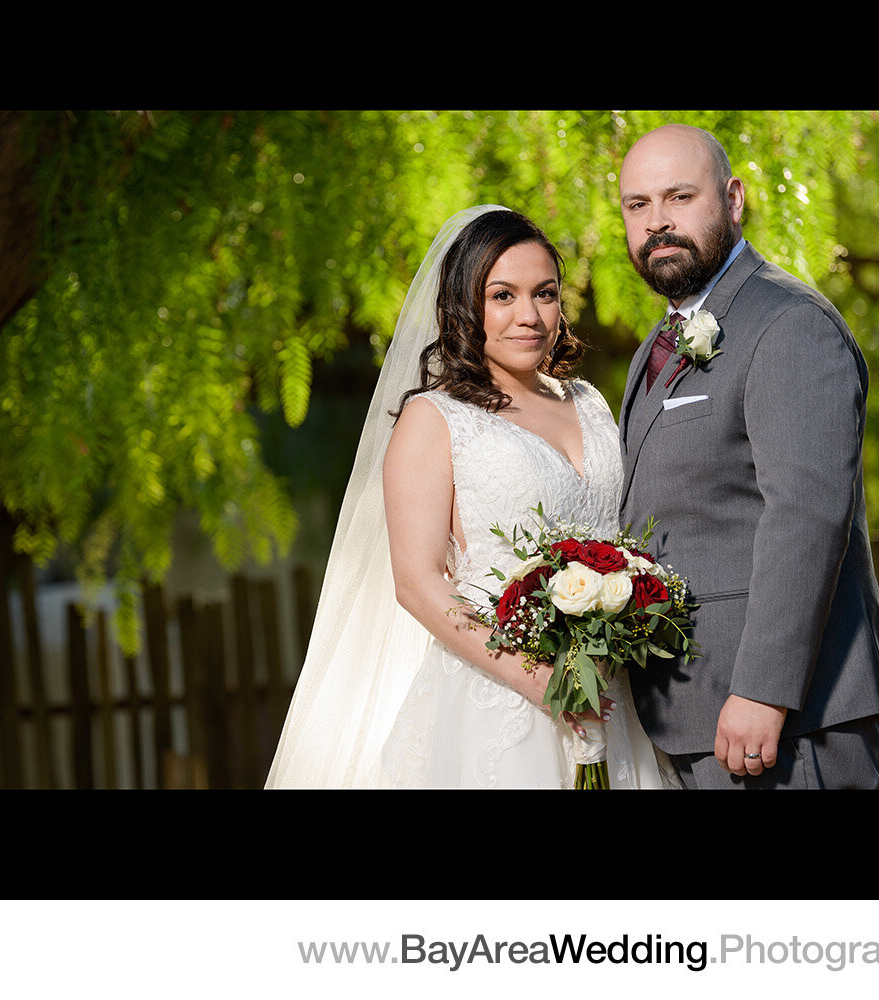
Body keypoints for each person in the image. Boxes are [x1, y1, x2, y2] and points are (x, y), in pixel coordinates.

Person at [266, 206, 672, 788]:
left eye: (546, 293)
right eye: (502, 295)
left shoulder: (587, 401)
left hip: (614, 694)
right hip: (502, 700)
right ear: (465, 305)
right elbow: (418, 582)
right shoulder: (434, 419)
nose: (528, 316)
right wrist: (542, 680)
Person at [615, 125, 879, 789]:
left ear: (734, 198)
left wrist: (764, 691)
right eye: (637, 205)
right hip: (690, 712)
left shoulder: (789, 324)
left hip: (783, 721)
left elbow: (805, 515)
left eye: (679, 197)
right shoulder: (657, 345)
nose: (658, 222)